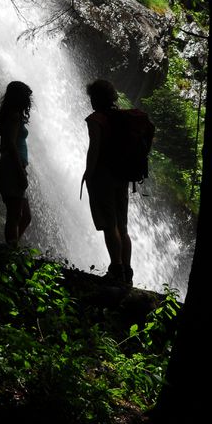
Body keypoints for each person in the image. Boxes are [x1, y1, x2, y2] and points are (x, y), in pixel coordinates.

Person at [83, 79, 132, 286]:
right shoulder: (122, 117)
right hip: (122, 176)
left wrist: (88, 173)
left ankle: (116, 270)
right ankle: (127, 272)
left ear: (97, 98)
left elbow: (94, 148)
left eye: (92, 97)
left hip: (103, 176)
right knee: (122, 226)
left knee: (110, 225)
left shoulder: (96, 119)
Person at [0, 81, 33, 247]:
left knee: (25, 216)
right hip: (11, 167)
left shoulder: (11, 115)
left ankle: (13, 247)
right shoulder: (14, 116)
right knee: (14, 215)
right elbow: (10, 144)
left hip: (11, 166)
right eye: (27, 97)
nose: (29, 101)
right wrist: (20, 171)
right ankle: (11, 252)